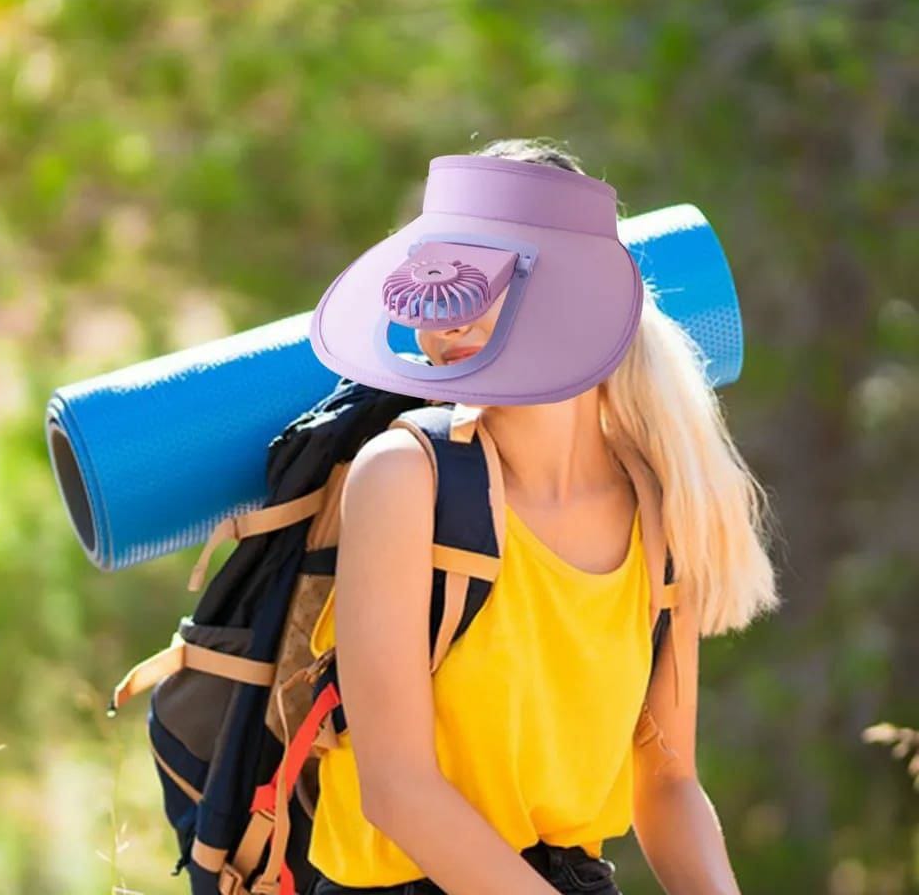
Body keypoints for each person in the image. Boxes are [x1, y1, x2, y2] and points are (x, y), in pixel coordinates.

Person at [304, 138, 781, 894]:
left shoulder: (661, 513)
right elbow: (399, 792)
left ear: (571, 297)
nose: (444, 311)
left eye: (482, 276)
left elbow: (667, 783)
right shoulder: (404, 480)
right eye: (436, 277)